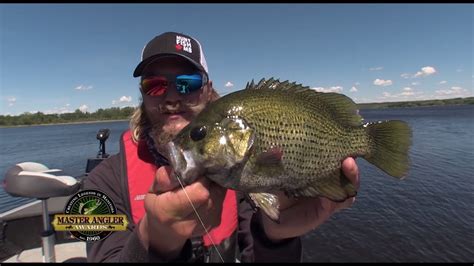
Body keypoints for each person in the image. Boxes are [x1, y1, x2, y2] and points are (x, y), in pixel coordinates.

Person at [83, 31, 360, 262]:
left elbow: (258, 251)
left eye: (186, 83)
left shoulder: (236, 170)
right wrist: (153, 239)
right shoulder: (98, 185)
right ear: (142, 94)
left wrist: (277, 238)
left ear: (207, 89)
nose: (170, 97)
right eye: (155, 85)